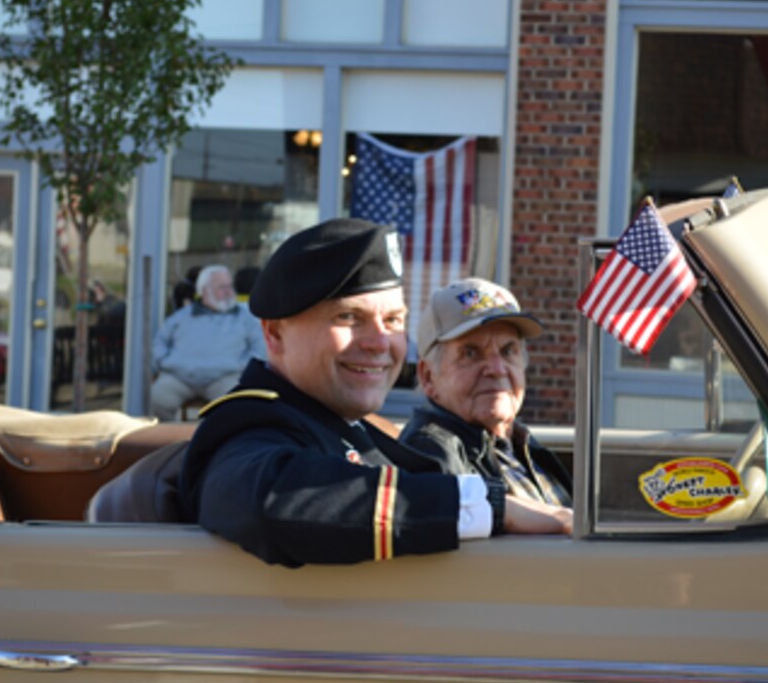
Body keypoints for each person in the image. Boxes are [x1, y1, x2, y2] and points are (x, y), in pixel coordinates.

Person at [178, 218, 571, 567]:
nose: (380, 343)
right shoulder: (247, 426)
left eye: (393, 319)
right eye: (349, 317)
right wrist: (492, 506)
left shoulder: (343, 424)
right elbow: (274, 498)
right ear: (275, 333)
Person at [400, 278, 571, 506]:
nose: (497, 369)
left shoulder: (522, 445)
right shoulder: (429, 453)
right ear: (428, 376)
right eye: (471, 353)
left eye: (508, 351)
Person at [150, 265, 265, 421]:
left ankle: (217, 441)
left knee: (237, 404)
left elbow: (260, 347)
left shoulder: (245, 317)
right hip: (180, 377)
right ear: (204, 291)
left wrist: (243, 366)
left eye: (230, 286)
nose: (229, 292)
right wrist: (163, 361)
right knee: (157, 396)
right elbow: (160, 341)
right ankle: (174, 440)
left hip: (224, 377)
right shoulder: (182, 316)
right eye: (222, 287)